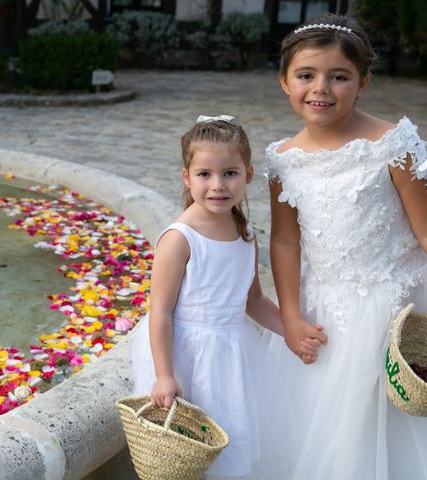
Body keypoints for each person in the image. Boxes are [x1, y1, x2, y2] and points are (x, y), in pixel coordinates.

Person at [265, 13, 427, 480]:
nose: (322, 88)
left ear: (363, 82)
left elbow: (424, 231)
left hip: (393, 306)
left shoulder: (392, 144)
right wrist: (291, 315)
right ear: (283, 81)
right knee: (327, 429)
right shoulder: (283, 160)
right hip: (324, 312)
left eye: (339, 76)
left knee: (390, 413)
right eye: (306, 75)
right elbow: (284, 239)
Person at [131, 116, 322, 479]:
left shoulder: (244, 233)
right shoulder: (179, 239)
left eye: (230, 173)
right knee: (184, 448)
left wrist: (292, 332)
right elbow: (160, 313)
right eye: (204, 174)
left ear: (248, 174)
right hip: (185, 353)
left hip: (233, 355)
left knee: (233, 440)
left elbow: (252, 301)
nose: (218, 185)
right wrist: (164, 375)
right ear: (187, 177)